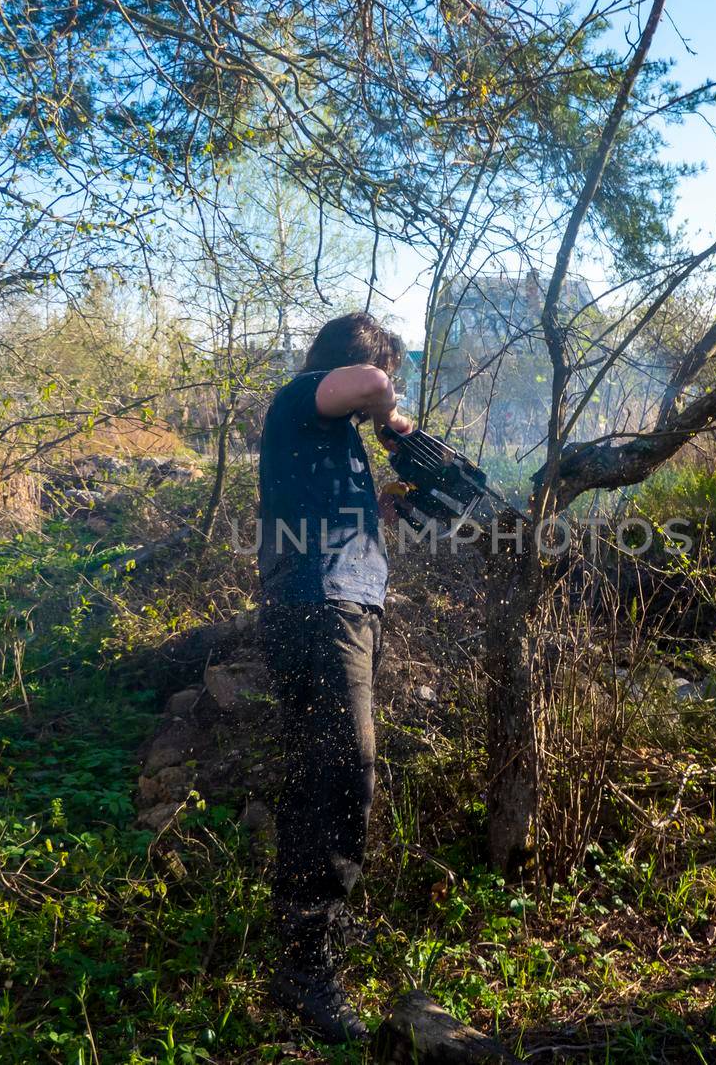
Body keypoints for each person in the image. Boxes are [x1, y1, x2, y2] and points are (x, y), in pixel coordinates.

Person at [256, 312, 413, 1041]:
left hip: (343, 607)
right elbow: (374, 383)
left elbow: (330, 514)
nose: (381, 396)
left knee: (322, 772)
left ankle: (306, 942)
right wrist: (390, 415)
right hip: (318, 608)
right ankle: (305, 965)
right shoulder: (300, 398)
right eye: (381, 376)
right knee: (349, 768)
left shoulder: (330, 438)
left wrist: (379, 510)